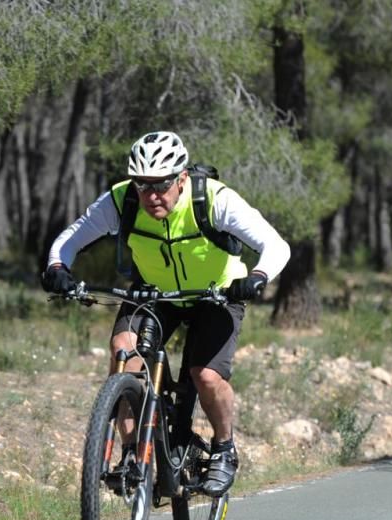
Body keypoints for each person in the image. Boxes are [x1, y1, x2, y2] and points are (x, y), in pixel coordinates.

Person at [42, 131, 290, 497]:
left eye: (162, 185)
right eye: (143, 186)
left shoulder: (213, 199)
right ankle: (132, 456)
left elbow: (275, 246)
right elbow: (71, 238)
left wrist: (256, 277)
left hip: (217, 292)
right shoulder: (122, 199)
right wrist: (58, 266)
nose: (152, 196)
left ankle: (224, 448)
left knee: (205, 376)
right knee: (123, 353)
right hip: (155, 291)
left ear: (182, 179)